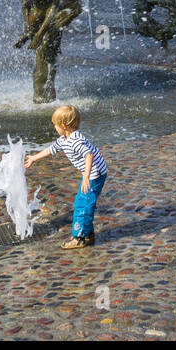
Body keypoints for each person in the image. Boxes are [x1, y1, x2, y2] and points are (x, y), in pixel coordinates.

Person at [24, 104, 107, 249]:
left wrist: (86, 176)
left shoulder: (75, 141)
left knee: (82, 203)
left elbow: (89, 154)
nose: (54, 127)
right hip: (93, 172)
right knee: (85, 201)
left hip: (94, 174)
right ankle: (88, 232)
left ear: (64, 126)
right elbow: (52, 149)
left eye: (55, 125)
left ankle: (80, 237)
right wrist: (34, 158)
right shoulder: (64, 139)